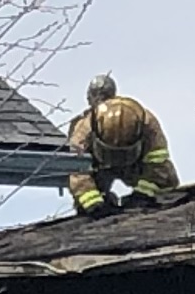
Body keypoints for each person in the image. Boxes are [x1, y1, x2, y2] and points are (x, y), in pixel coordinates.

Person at [67, 76, 181, 214]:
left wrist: (143, 194)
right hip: (100, 167)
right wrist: (94, 205)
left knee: (166, 184)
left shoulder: (147, 124)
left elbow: (159, 165)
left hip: (134, 165)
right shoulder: (83, 130)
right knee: (84, 197)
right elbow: (78, 171)